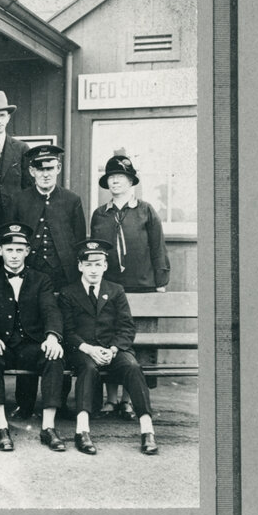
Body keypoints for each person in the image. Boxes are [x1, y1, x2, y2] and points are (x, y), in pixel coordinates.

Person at [59, 239, 159, 455]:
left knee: (132, 366)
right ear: (80, 266)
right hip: (82, 351)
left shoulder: (115, 290)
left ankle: (147, 429)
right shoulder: (68, 293)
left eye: (98, 264)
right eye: (88, 264)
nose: (93, 270)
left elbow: (126, 327)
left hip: (112, 350)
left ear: (105, 265)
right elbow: (67, 331)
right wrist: (88, 349)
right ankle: (82, 430)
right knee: (88, 368)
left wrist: (113, 349)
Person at [89, 154, 171, 417]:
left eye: (121, 177)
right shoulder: (100, 214)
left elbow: (158, 247)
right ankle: (111, 399)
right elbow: (95, 254)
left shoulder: (146, 211)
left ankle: (129, 400)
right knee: (110, 339)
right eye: (111, 177)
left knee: (139, 345)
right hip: (110, 287)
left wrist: (160, 282)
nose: (116, 181)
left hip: (143, 287)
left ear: (130, 181)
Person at [0, 222, 65, 452]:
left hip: (31, 345)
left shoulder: (41, 279)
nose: (14, 255)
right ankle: (1, 426)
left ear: (27, 251)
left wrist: (52, 337)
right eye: (9, 249)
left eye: (19, 249)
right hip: (1, 345)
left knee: (53, 357)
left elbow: (51, 311)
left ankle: (48, 427)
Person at [8, 144, 85, 293]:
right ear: (32, 171)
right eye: (40, 169)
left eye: (49, 169)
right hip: (29, 271)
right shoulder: (18, 200)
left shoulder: (72, 200)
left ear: (58, 169)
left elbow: (79, 240)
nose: (45, 174)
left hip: (63, 274)